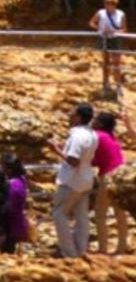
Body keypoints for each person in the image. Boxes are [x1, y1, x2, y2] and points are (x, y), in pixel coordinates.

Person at [52, 103, 99, 258]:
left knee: (59, 214)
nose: (69, 113)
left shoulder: (77, 135)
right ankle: (81, 251)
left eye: (72, 111)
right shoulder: (92, 134)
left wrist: (56, 149)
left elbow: (73, 161)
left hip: (71, 180)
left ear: (78, 116)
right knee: (81, 217)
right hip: (86, 179)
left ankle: (70, 253)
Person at [92, 111, 130, 255]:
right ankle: (122, 247)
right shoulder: (112, 137)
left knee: (100, 213)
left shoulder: (97, 136)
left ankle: (103, 249)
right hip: (121, 175)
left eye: (95, 120)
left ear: (100, 124)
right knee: (120, 212)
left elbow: (91, 158)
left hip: (107, 175)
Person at [90, 0, 127, 89]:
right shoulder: (100, 13)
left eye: (109, 4)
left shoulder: (121, 14)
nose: (106, 6)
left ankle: (118, 84)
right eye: (105, 4)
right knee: (106, 62)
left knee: (116, 63)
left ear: (114, 5)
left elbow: (124, 29)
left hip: (115, 38)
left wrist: (114, 31)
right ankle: (106, 82)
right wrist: (101, 28)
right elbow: (91, 23)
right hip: (104, 38)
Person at [0, 153, 31, 253]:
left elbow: (9, 206)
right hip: (17, 221)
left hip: (9, 223)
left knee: (6, 249)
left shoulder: (10, 185)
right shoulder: (22, 180)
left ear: (9, 169)